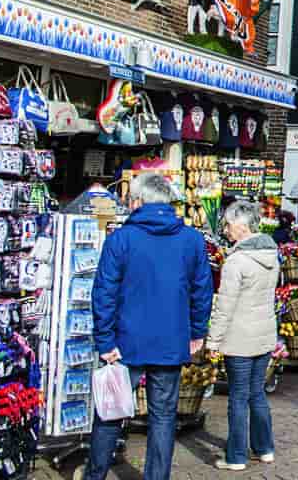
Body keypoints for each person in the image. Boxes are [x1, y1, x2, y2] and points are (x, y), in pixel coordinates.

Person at [87, 173, 213, 480]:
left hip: (125, 342)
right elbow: (202, 290)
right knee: (163, 416)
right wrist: (197, 331)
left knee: (110, 412)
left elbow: (104, 292)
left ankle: (95, 475)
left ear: (138, 201)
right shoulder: (192, 240)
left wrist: (105, 340)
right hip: (170, 340)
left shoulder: (121, 238)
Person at [207, 202, 280, 471]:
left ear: (240, 226)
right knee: (257, 393)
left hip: (239, 337)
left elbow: (225, 306)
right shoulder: (272, 255)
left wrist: (213, 341)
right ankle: (264, 447)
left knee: (238, 397)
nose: (225, 230)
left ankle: (236, 456)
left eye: (227, 224)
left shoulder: (237, 261)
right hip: (263, 333)